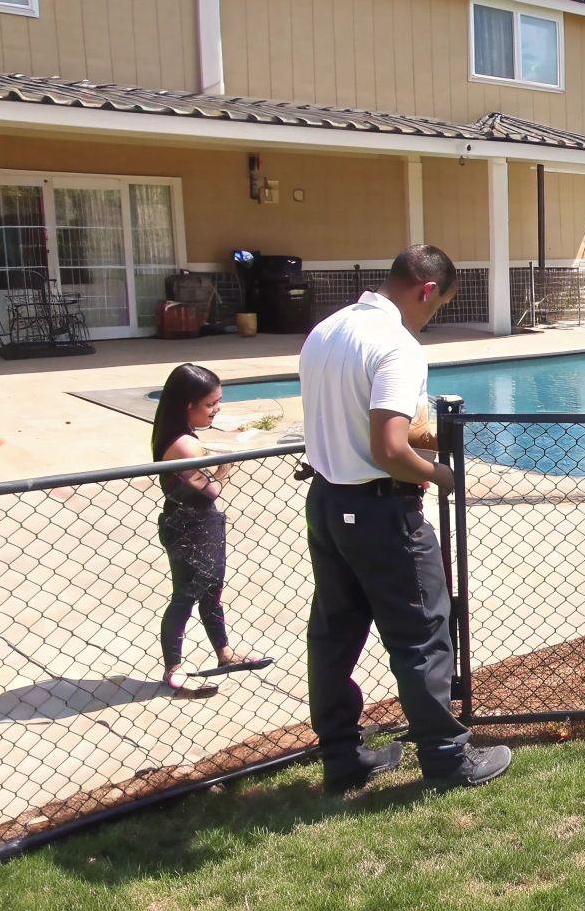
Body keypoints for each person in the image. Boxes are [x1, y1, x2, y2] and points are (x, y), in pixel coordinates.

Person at [298, 244, 511, 793]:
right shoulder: (397, 345)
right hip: (381, 511)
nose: (430, 315)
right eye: (437, 306)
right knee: (421, 635)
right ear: (426, 289)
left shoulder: (326, 331)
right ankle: (447, 760)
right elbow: (389, 448)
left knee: (333, 636)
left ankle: (342, 759)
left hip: (326, 503)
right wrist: (444, 476)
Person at [151, 363, 270, 692]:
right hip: (187, 526)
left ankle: (224, 652)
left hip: (200, 522)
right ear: (188, 404)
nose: (217, 410)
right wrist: (225, 468)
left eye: (218, 402)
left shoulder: (180, 434)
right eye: (210, 404)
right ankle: (173, 668)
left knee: (211, 593)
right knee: (185, 597)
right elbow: (211, 489)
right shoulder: (185, 445)